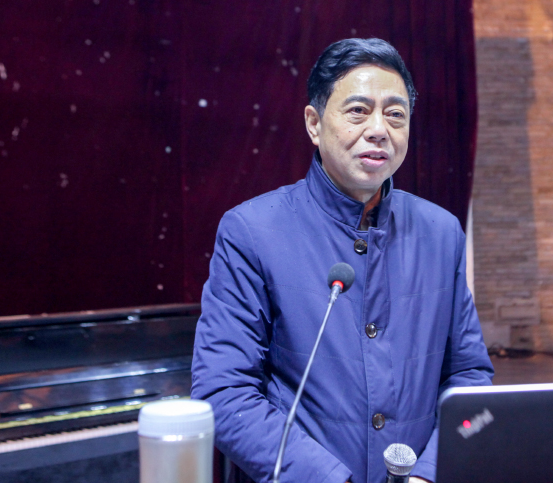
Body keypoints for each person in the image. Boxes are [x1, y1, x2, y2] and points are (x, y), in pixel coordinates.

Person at [191, 38, 493, 483]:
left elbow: (470, 382)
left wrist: (428, 473)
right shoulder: (253, 231)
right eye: (358, 111)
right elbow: (224, 392)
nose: (379, 129)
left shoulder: (441, 233)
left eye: (395, 114)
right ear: (314, 124)